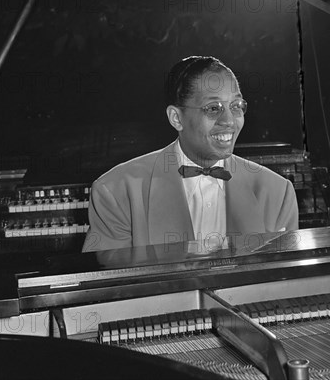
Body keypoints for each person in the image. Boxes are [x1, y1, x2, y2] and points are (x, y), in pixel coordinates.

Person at [83, 56, 298, 253]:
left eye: (236, 105)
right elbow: (114, 286)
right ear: (176, 118)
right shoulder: (116, 192)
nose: (230, 121)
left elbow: (283, 285)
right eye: (213, 108)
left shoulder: (278, 193)